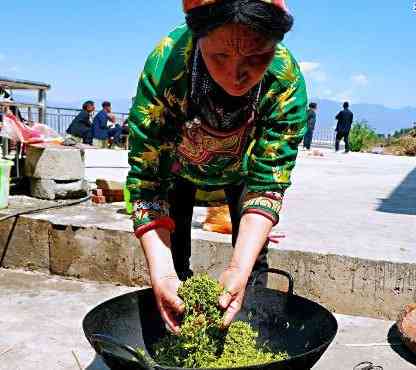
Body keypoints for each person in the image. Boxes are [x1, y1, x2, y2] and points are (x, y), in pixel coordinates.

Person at [127, 0, 308, 333]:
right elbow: (147, 181)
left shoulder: (284, 82)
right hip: (176, 171)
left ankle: (246, 328)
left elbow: (269, 179)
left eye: (256, 57)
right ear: (198, 38)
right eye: (219, 56)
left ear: (276, 43)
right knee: (174, 261)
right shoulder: (166, 67)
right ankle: (181, 326)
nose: (237, 75)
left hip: (244, 174)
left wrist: (239, 266)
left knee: (250, 266)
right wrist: (163, 273)